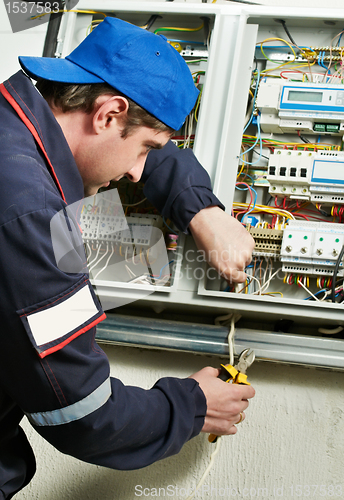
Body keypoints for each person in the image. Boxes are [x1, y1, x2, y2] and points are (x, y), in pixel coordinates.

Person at [0, 17, 255, 499]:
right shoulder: (31, 215)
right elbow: (82, 414)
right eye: (145, 150)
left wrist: (201, 209)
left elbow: (133, 145)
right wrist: (194, 406)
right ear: (108, 113)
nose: (138, 172)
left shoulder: (14, 125)